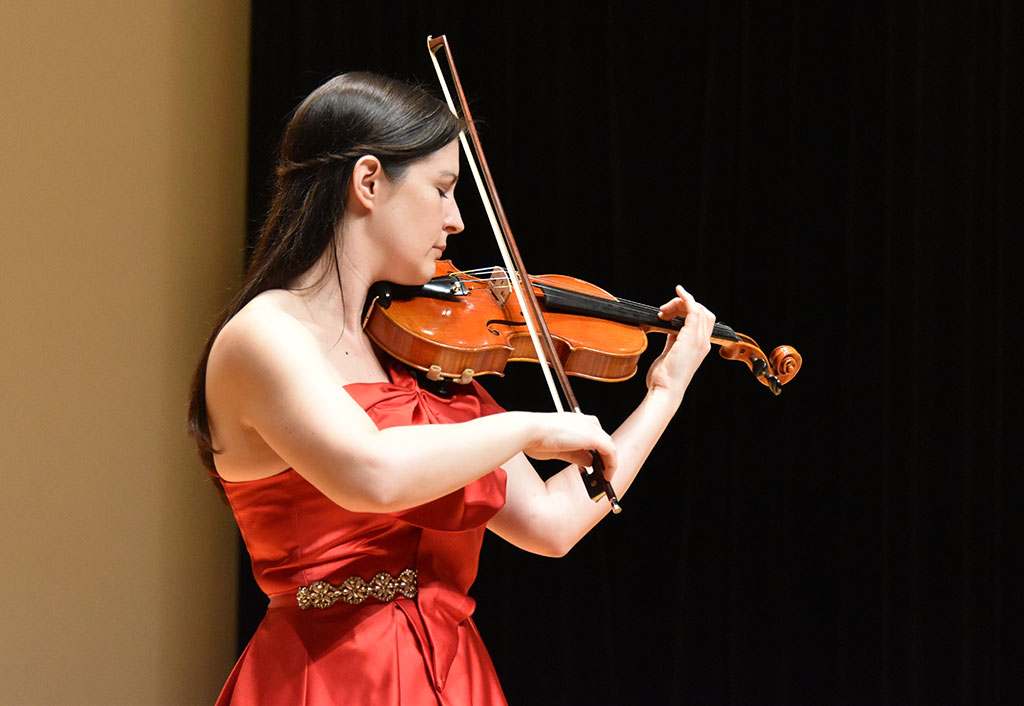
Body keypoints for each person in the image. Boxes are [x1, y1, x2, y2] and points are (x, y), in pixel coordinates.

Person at [188, 71, 716, 706]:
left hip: (452, 673)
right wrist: (525, 427)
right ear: (369, 181)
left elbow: (552, 523)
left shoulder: (414, 355)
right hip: (330, 677)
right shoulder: (266, 336)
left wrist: (665, 392)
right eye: (441, 190)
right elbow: (373, 477)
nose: (458, 219)